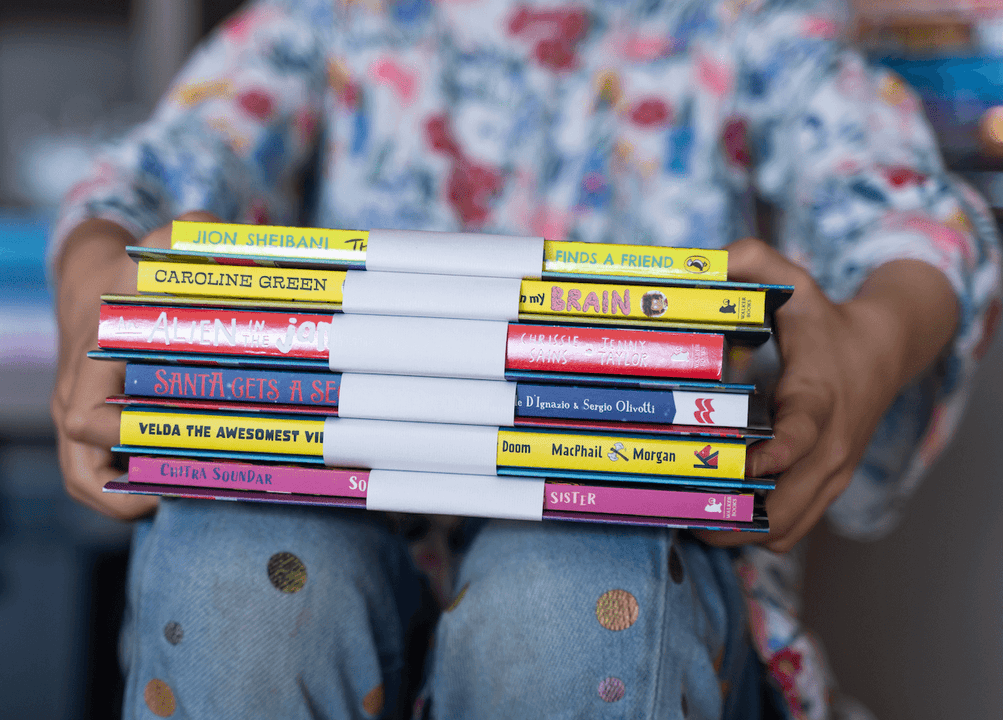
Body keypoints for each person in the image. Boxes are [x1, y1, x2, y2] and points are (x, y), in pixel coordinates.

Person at [49, 1, 1000, 717]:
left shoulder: (750, 27)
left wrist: (870, 340)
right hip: (339, 525)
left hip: (637, 554)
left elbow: (909, 218)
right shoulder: (327, 18)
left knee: (568, 603)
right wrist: (102, 280)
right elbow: (142, 180)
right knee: (238, 574)